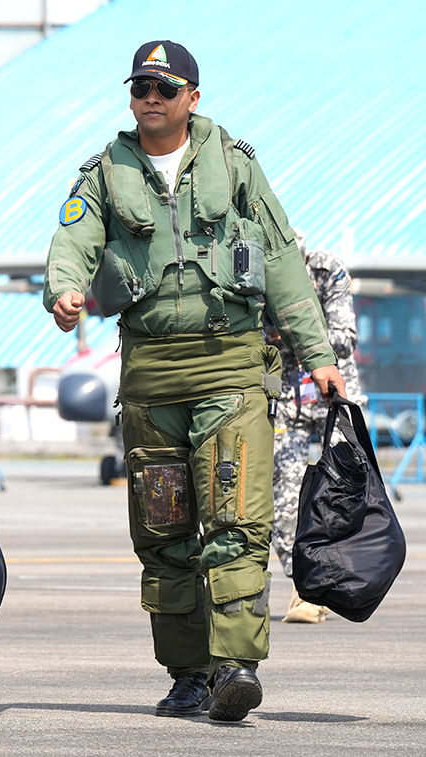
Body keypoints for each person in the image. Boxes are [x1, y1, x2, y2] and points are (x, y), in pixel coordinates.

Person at [43, 41, 347, 722]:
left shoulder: (236, 165)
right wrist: (63, 290)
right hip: (151, 379)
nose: (150, 98)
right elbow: (72, 243)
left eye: (164, 87)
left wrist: (318, 351)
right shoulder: (102, 173)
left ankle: (236, 665)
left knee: (235, 521)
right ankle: (187, 675)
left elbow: (281, 258)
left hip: (231, 370)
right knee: (166, 529)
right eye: (140, 88)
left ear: (192, 98)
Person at [268, 231, 364, 623]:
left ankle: (344, 583)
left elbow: (345, 339)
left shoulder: (328, 272)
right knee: (285, 501)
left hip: (333, 399)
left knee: (342, 498)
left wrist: (293, 334)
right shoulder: (257, 279)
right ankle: (305, 589)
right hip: (287, 403)